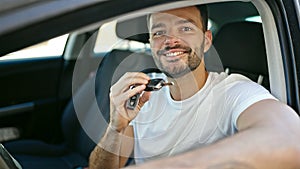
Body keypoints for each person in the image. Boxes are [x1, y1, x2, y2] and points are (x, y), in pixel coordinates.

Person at [89, 5, 300, 169]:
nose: (170, 40)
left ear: (207, 41)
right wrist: (116, 127)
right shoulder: (142, 91)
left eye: (185, 28)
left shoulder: (233, 91)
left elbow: (291, 138)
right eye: (159, 32)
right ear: (151, 44)